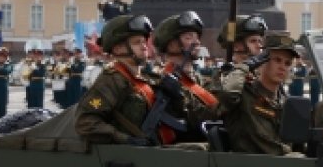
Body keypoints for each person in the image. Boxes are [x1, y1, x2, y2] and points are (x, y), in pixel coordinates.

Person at [75, 14, 160, 145]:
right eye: (137, 42)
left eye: (144, 41)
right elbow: (86, 122)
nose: (144, 46)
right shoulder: (112, 80)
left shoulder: (145, 79)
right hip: (129, 157)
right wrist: (125, 139)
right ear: (118, 48)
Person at [220, 32, 301, 156]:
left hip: (283, 166)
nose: (282, 67)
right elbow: (227, 95)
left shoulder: (287, 102)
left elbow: (297, 142)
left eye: (287, 63)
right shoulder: (246, 93)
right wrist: (246, 66)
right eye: (277, 60)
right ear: (263, 61)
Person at [154, 11, 220, 143]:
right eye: (189, 37)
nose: (197, 42)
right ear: (172, 44)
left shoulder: (198, 79)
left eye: (197, 37)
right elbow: (190, 119)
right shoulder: (160, 80)